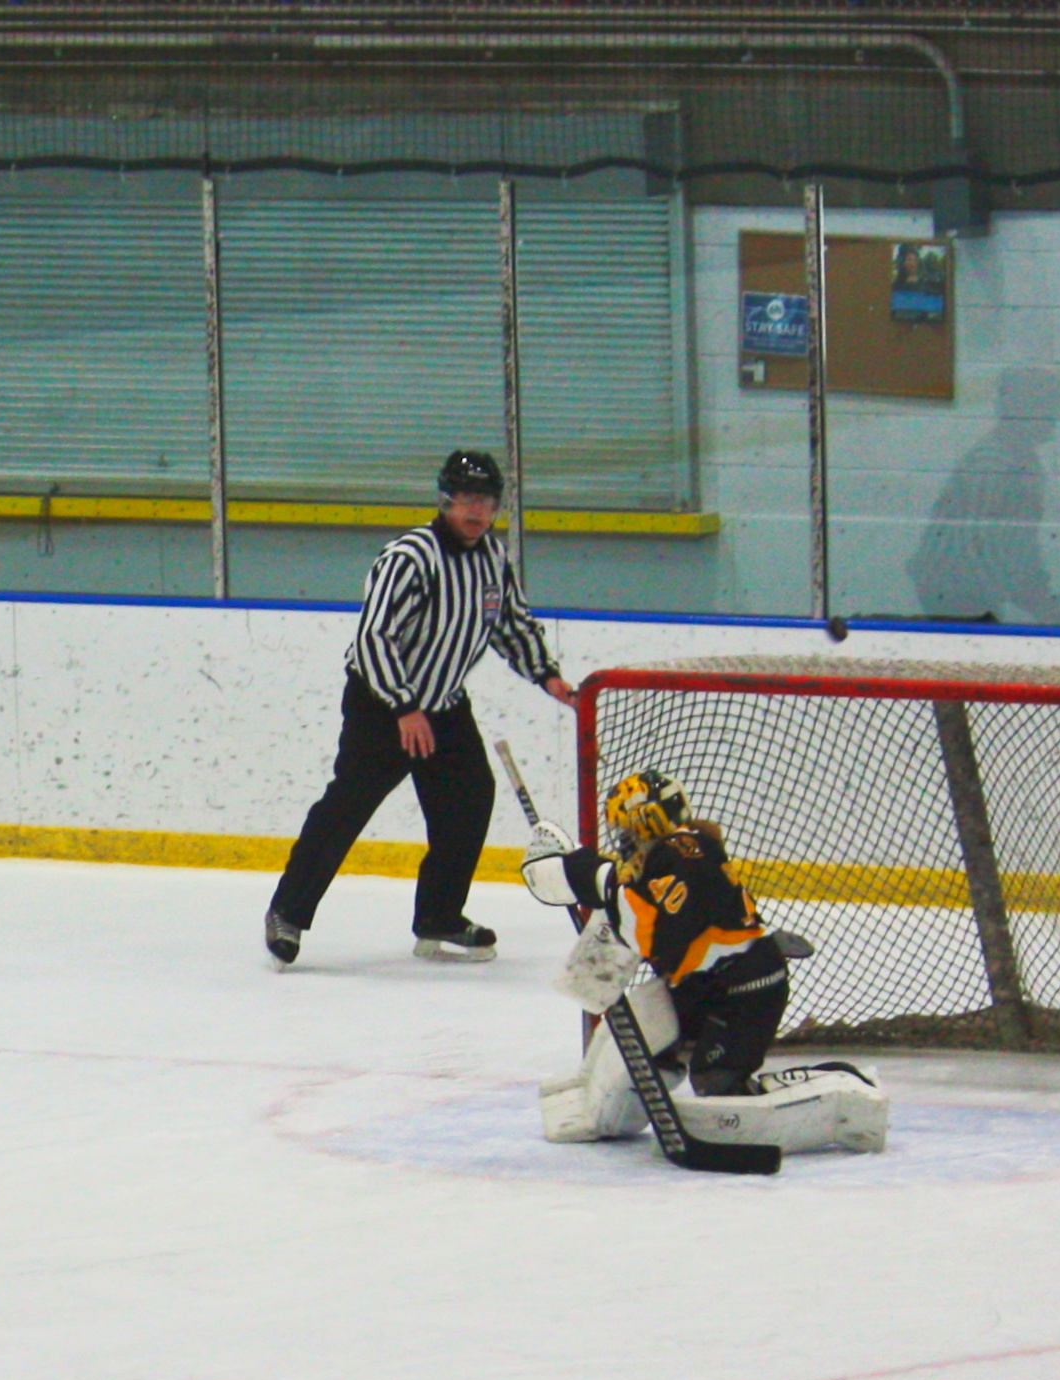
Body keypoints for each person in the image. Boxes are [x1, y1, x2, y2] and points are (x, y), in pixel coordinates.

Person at [264, 448, 575, 968]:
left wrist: (549, 677)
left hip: (445, 710)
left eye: (487, 501)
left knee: (469, 800)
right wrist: (404, 708)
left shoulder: (494, 559)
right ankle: (287, 913)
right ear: (446, 500)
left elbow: (512, 625)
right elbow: (374, 637)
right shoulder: (409, 557)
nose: (477, 511)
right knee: (346, 808)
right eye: (467, 499)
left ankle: (439, 917)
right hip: (382, 706)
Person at [523, 770, 888, 1154]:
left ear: (648, 822)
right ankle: (597, 1105)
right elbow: (626, 906)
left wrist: (580, 873)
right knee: (642, 1043)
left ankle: (844, 1088)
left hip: (745, 991)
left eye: (627, 831)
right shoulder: (670, 857)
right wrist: (580, 869)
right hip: (703, 985)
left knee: (718, 1083)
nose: (624, 841)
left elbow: (641, 928)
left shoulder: (682, 853)